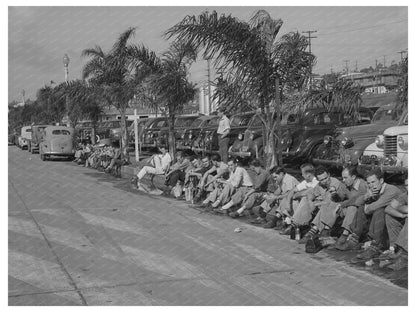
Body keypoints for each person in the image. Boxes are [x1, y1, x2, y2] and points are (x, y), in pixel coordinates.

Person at [348, 168, 403, 261]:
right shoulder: (374, 190)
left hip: (400, 219)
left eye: (373, 182)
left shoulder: (391, 190)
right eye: (369, 183)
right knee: (361, 208)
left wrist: (368, 203)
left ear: (381, 181)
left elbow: (371, 208)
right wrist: (366, 196)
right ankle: (356, 238)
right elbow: (357, 202)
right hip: (388, 218)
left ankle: (375, 245)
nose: (371, 185)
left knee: (379, 210)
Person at [296, 166, 348, 244]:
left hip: (339, 208)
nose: (325, 181)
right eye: (321, 180)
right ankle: (296, 225)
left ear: (329, 175)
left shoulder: (335, 183)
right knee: (306, 200)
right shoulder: (320, 185)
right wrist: (310, 201)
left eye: (326, 178)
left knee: (324, 206)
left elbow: (332, 201)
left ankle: (312, 231)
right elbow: (311, 193)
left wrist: (318, 203)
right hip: (327, 208)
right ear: (318, 180)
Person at [331, 166, 368, 249]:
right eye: (342, 177)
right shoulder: (346, 185)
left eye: (345, 177)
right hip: (348, 210)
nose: (343, 180)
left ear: (353, 177)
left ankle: (345, 234)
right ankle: (323, 231)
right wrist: (334, 193)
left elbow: (356, 200)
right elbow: (339, 198)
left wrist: (342, 205)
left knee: (352, 207)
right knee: (330, 205)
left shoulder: (363, 185)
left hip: (361, 213)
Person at [276, 163, 319, 234]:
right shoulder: (306, 182)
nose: (302, 175)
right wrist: (288, 203)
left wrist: (297, 195)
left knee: (303, 199)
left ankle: (293, 225)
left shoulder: (316, 182)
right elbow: (292, 190)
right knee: (289, 198)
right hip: (305, 203)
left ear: (308, 174)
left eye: (302, 174)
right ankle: (287, 221)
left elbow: (308, 192)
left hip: (313, 204)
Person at [379, 178, 408, 270]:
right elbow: (388, 208)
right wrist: (402, 215)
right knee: (390, 216)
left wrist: (400, 207)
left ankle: (405, 256)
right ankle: (396, 249)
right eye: (407, 185)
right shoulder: (405, 195)